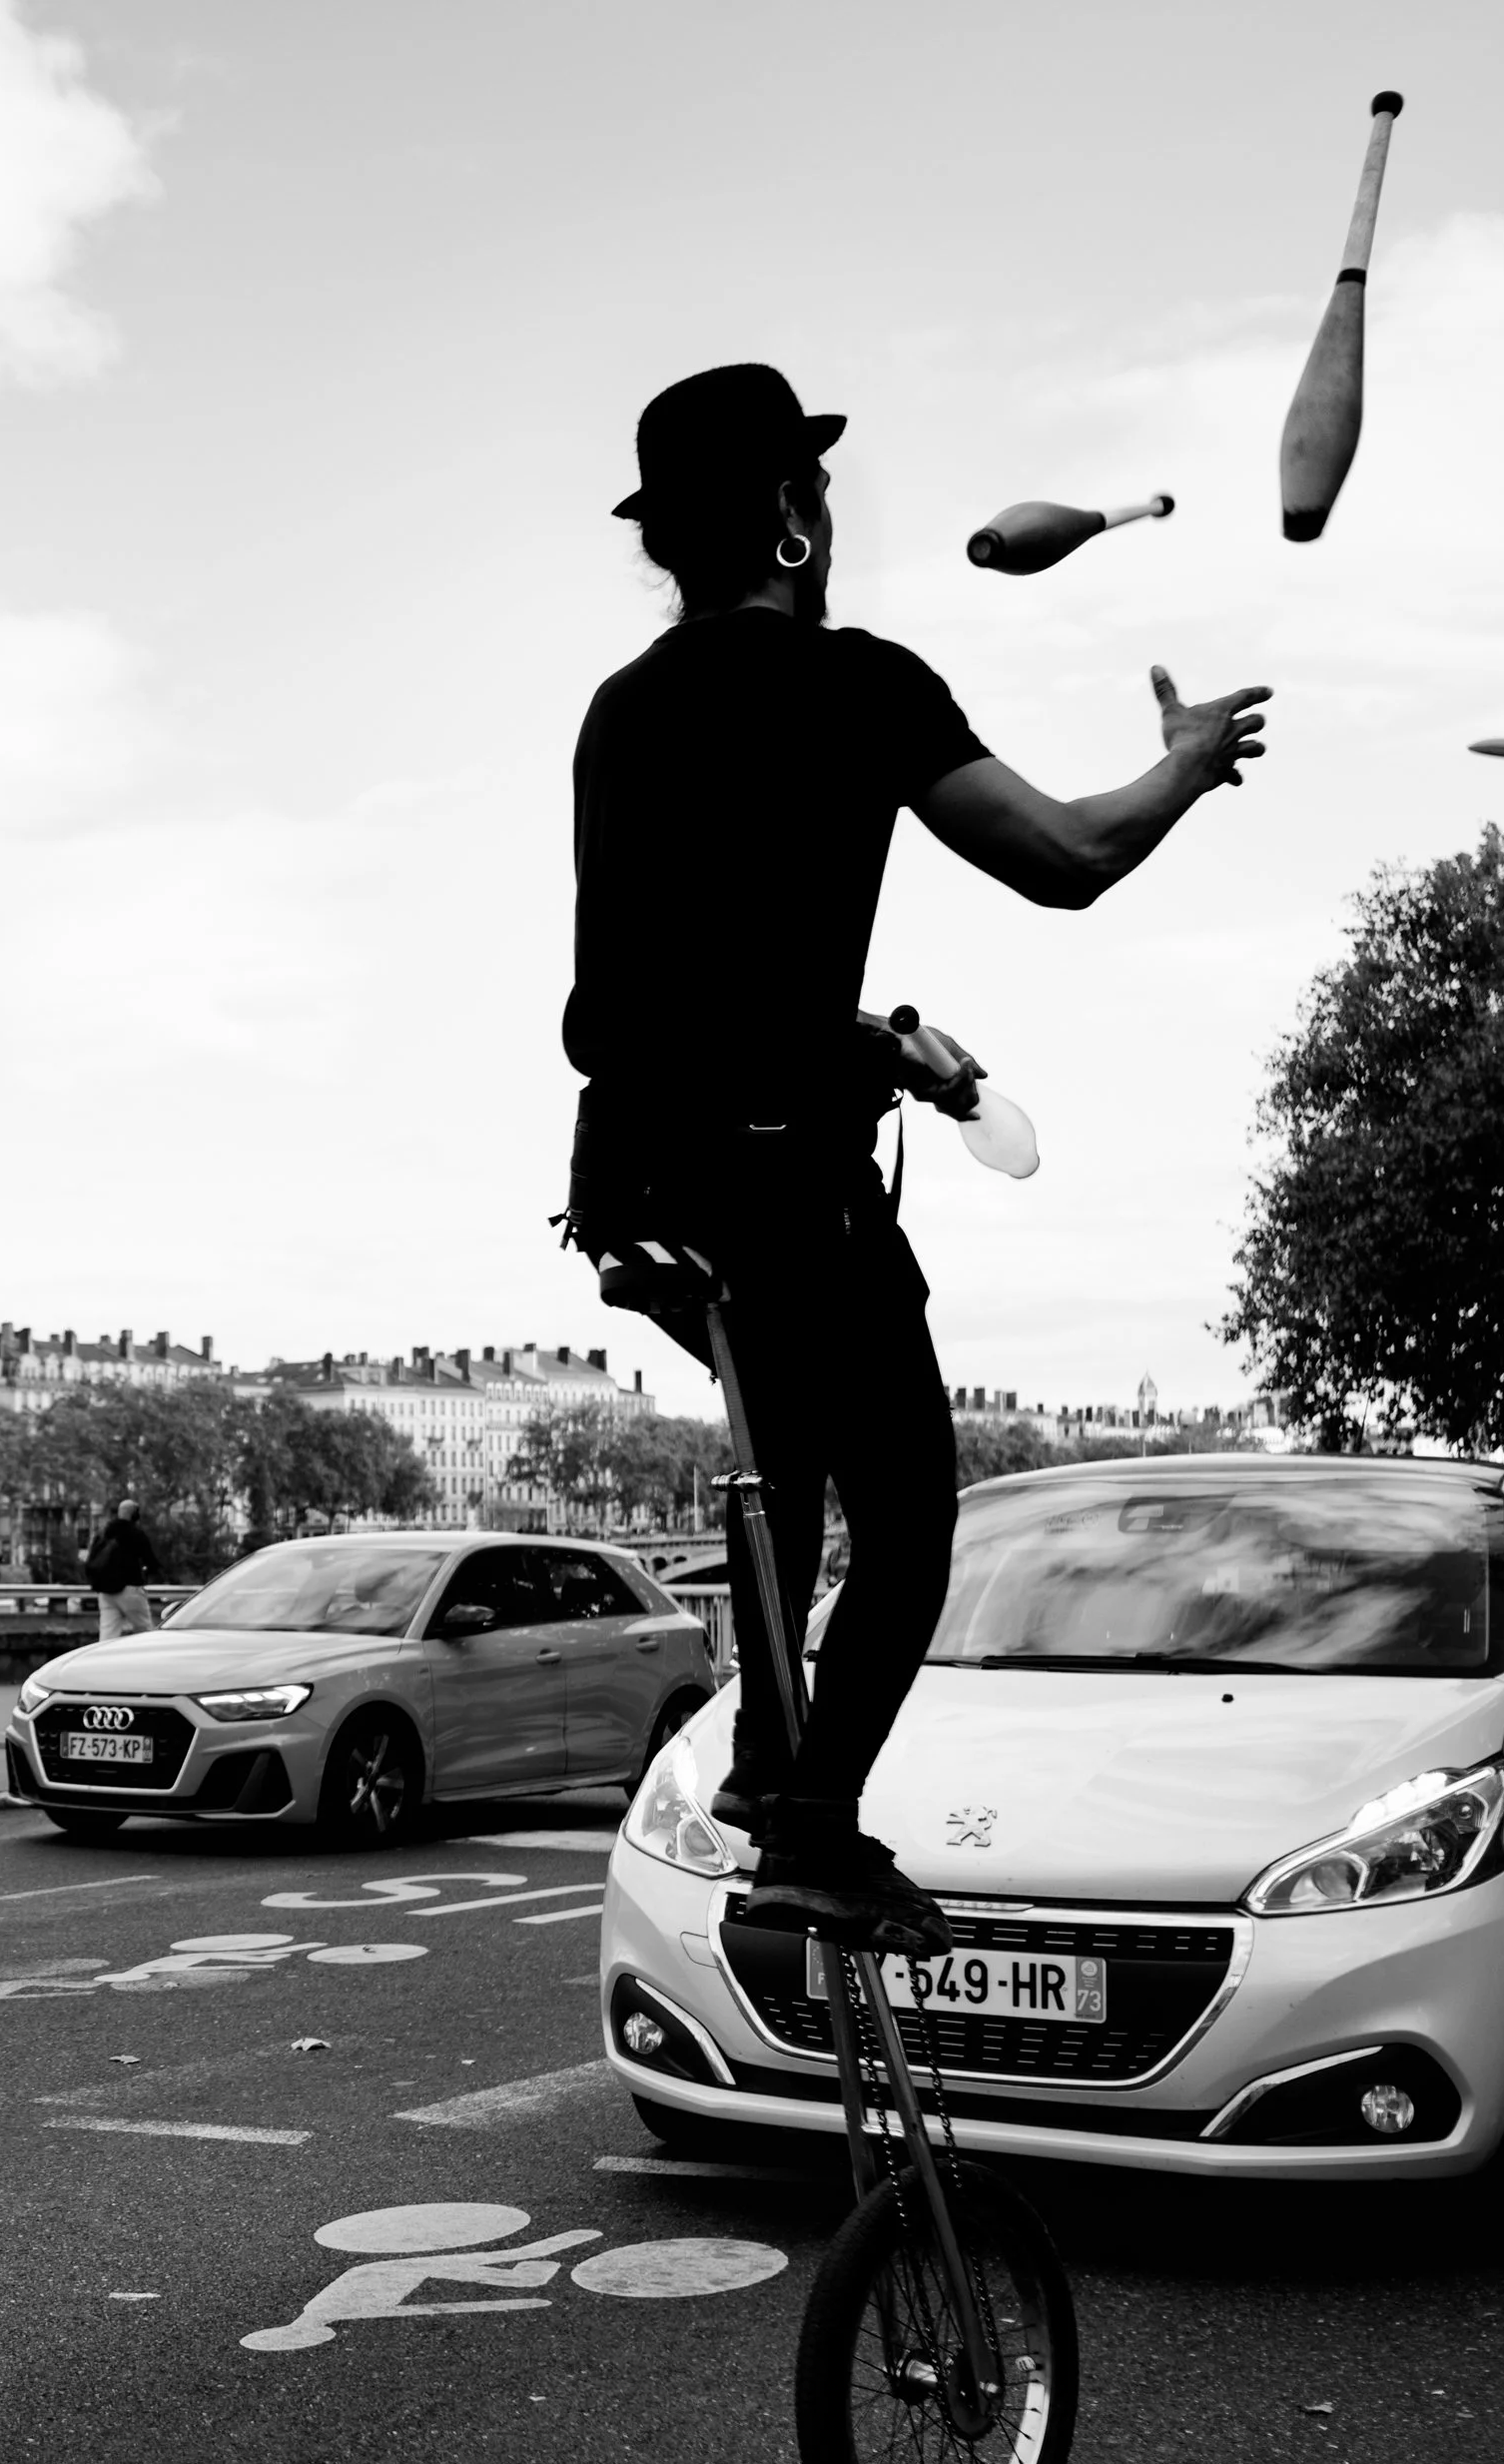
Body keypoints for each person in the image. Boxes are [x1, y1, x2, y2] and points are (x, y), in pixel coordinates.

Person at [562, 363, 1269, 1955]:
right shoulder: (862, 683)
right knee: (909, 1516)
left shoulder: (622, 710)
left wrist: (877, 1046)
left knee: (786, 1463)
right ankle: (811, 1828)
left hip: (638, 1176)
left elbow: (682, 985)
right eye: (818, 491)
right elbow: (1068, 857)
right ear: (793, 517)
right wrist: (1184, 762)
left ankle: (769, 1766)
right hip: (776, 1173)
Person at [85, 1496, 159, 1639]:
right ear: (134, 1515)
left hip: (105, 1592)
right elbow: (151, 1561)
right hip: (130, 1588)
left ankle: (105, 1653)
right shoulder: (135, 1533)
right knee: (144, 1630)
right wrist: (148, 1574)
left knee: (108, 1634)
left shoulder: (103, 1533)